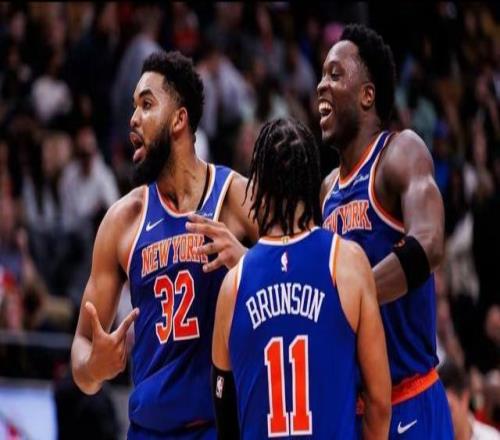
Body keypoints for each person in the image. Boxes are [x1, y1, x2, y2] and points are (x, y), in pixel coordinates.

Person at [71, 50, 257, 439]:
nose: (133, 118)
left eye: (146, 104)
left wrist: (247, 261)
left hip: (219, 426)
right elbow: (82, 349)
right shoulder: (123, 220)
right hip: (148, 429)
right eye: (133, 106)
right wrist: (94, 368)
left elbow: (299, 274)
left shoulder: (235, 197)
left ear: (179, 119)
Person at [211, 118, 391, 439]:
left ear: (257, 187)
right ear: (312, 183)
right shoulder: (347, 263)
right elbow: (378, 403)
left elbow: (223, 405)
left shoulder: (233, 285)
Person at [318, 24, 453, 438]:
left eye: (335, 74)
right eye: (321, 75)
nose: (322, 85)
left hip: (410, 398)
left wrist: (355, 297)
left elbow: (430, 244)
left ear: (367, 95)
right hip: (356, 409)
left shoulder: (400, 152)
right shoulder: (326, 190)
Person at [440, 361, 500, 440]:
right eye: (439, 412)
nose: (444, 419)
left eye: (449, 409)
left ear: (464, 399)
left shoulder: (491, 437)